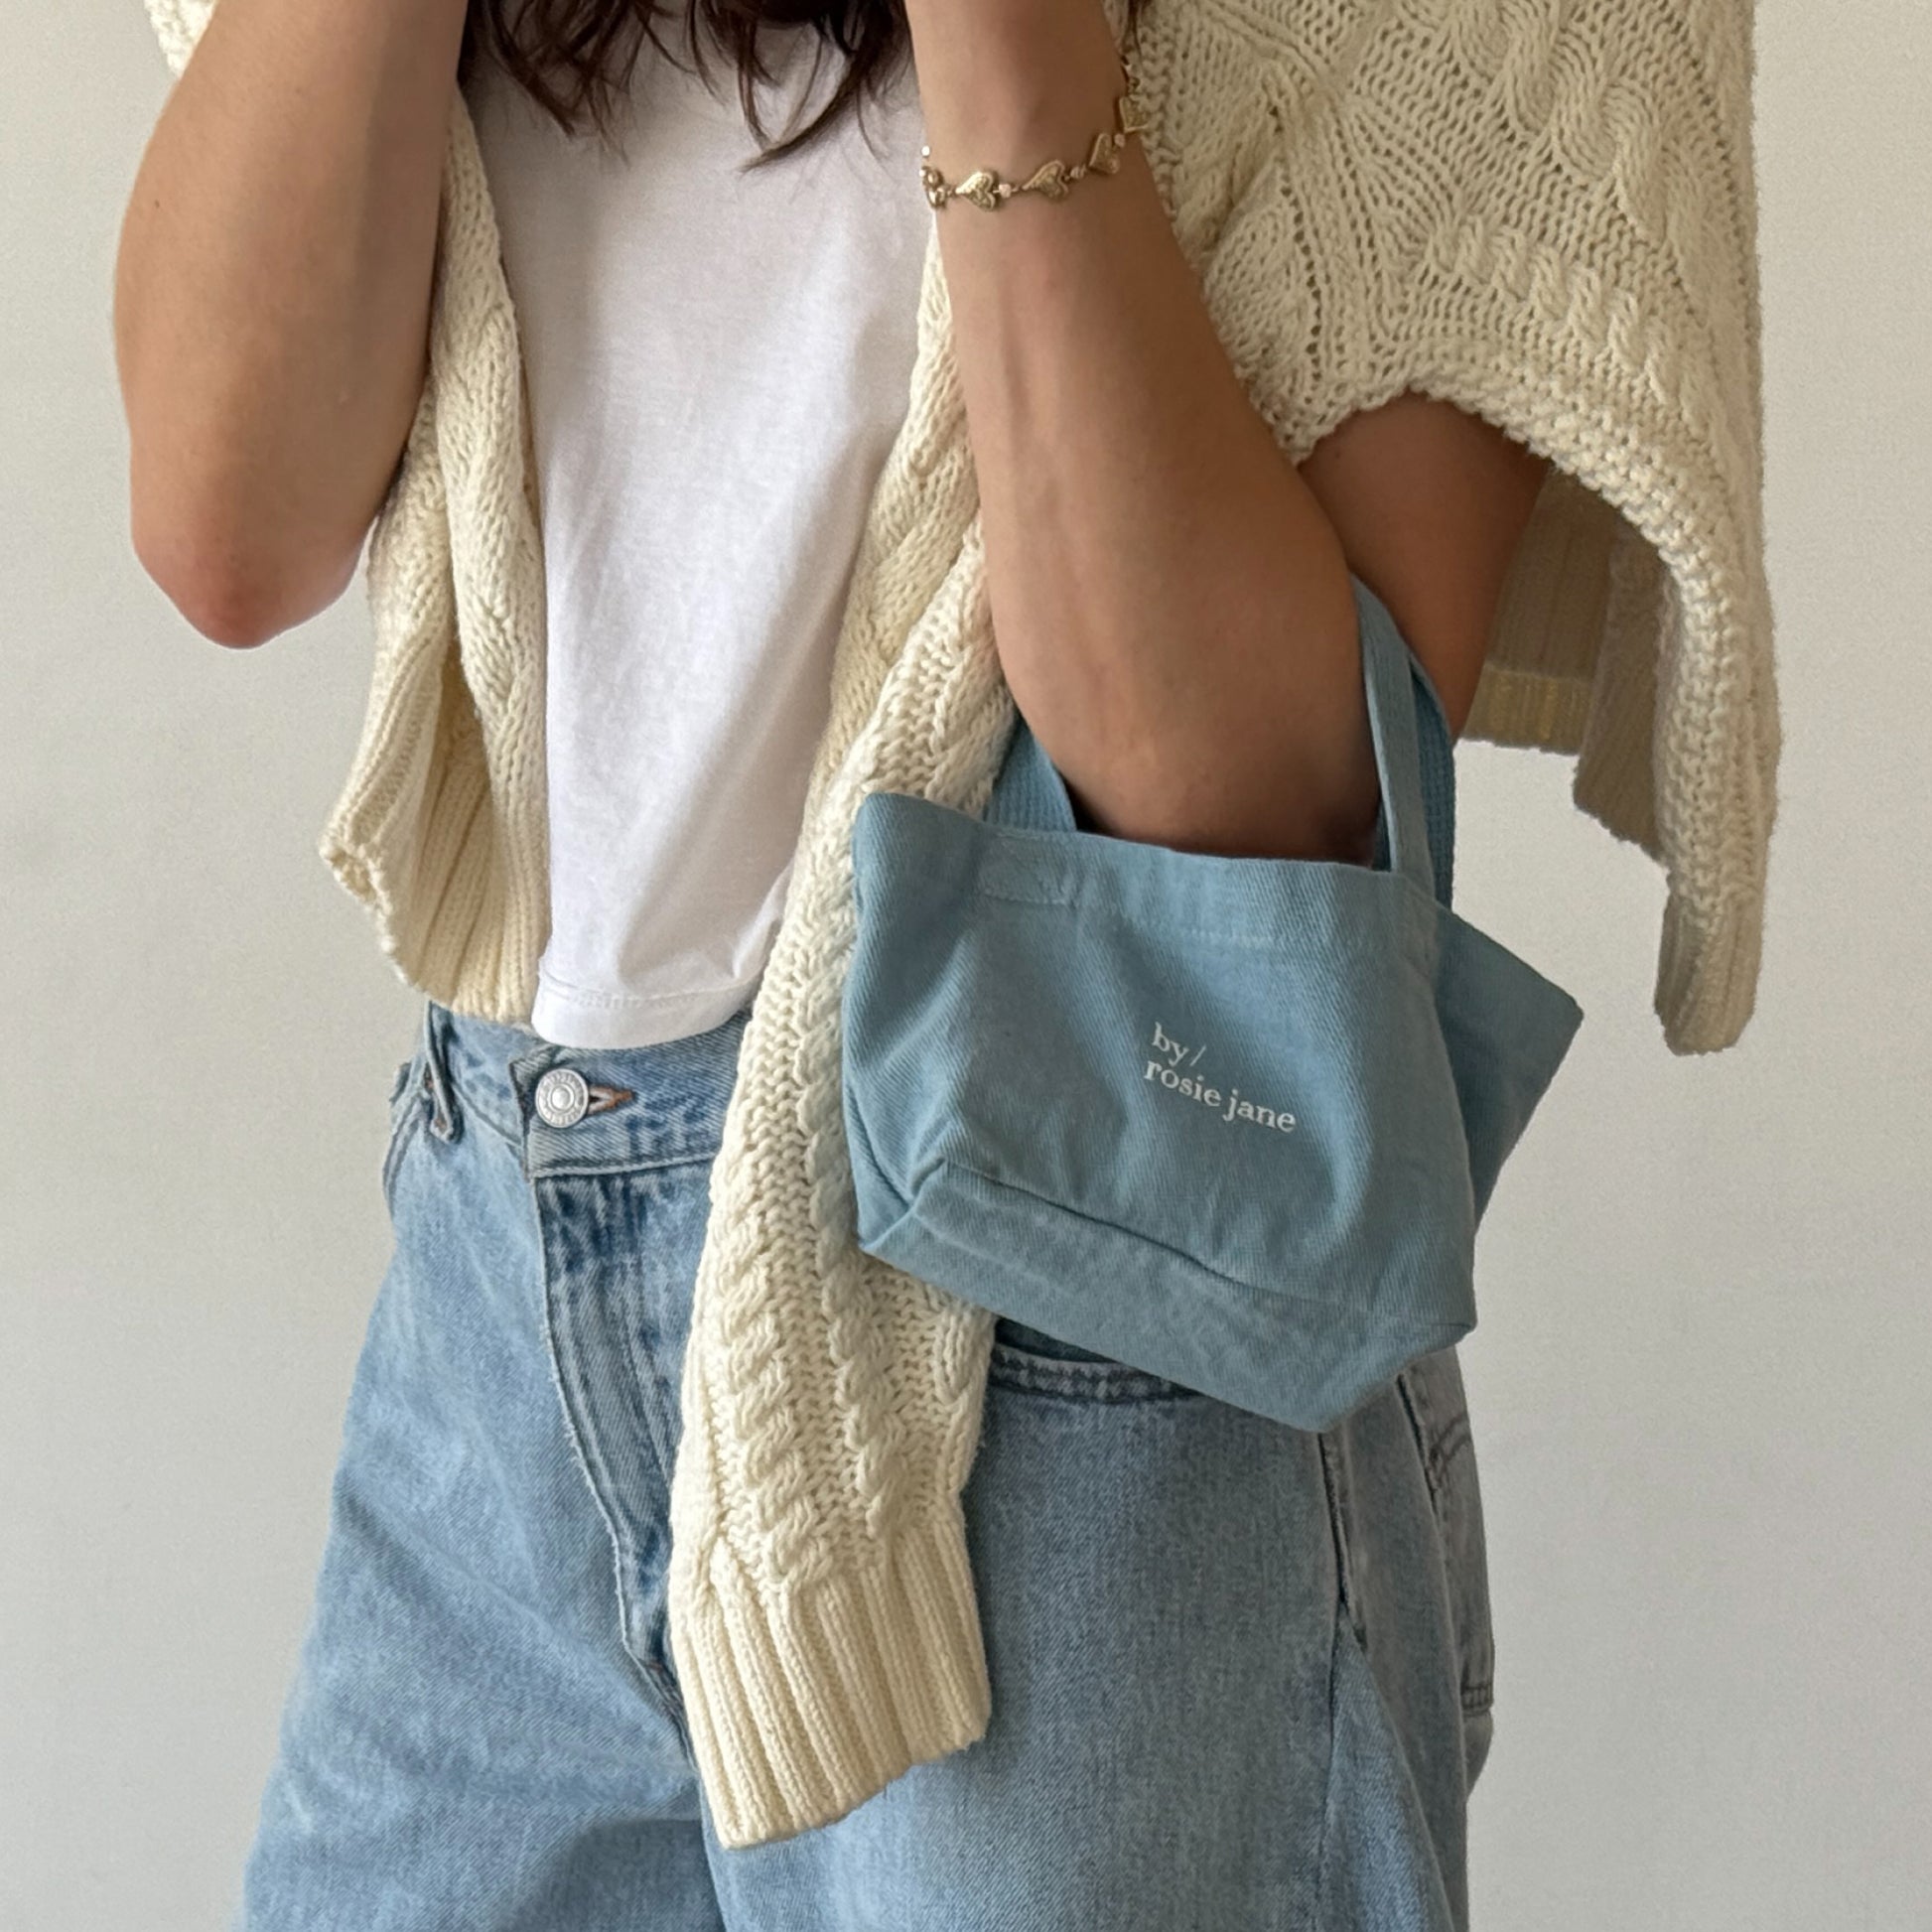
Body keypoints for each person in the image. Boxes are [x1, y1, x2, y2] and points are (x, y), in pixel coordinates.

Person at [114, 0, 1776, 1924]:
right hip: (507, 1261)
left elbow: (1248, 821)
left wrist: (1007, 58)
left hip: (1069, 1312)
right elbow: (232, 528)